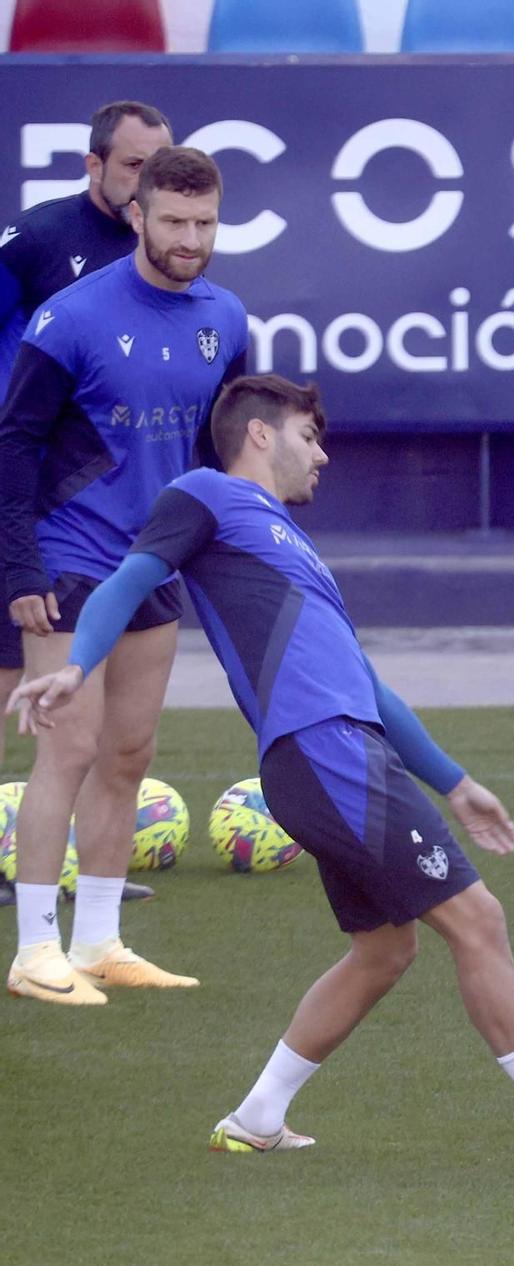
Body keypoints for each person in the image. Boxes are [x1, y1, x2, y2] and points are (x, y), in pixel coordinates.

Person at [10, 375, 514, 1167]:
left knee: (385, 952)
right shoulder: (203, 494)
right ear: (258, 435)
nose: (322, 456)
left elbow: (366, 681)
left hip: (341, 750)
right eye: (310, 437)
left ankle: (257, 1116)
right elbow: (131, 578)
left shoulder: (288, 540)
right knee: (477, 920)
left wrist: (455, 782)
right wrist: (78, 666)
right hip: (325, 752)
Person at [0, 145, 246, 1006]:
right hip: (68, 559)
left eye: (205, 223)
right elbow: (15, 443)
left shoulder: (227, 316)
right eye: (174, 221)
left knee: (128, 753)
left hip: (155, 563)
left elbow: (223, 450)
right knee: (66, 749)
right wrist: (19, 565)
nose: (191, 239)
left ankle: (98, 940)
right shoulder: (69, 318)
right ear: (135, 215)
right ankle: (35, 952)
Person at [0, 100, 174, 874]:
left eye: (158, 166)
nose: (146, 182)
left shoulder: (166, 249)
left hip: (110, 509)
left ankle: (87, 877)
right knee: (14, 683)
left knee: (106, 725)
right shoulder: (38, 240)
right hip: (26, 488)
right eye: (133, 166)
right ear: (93, 166)